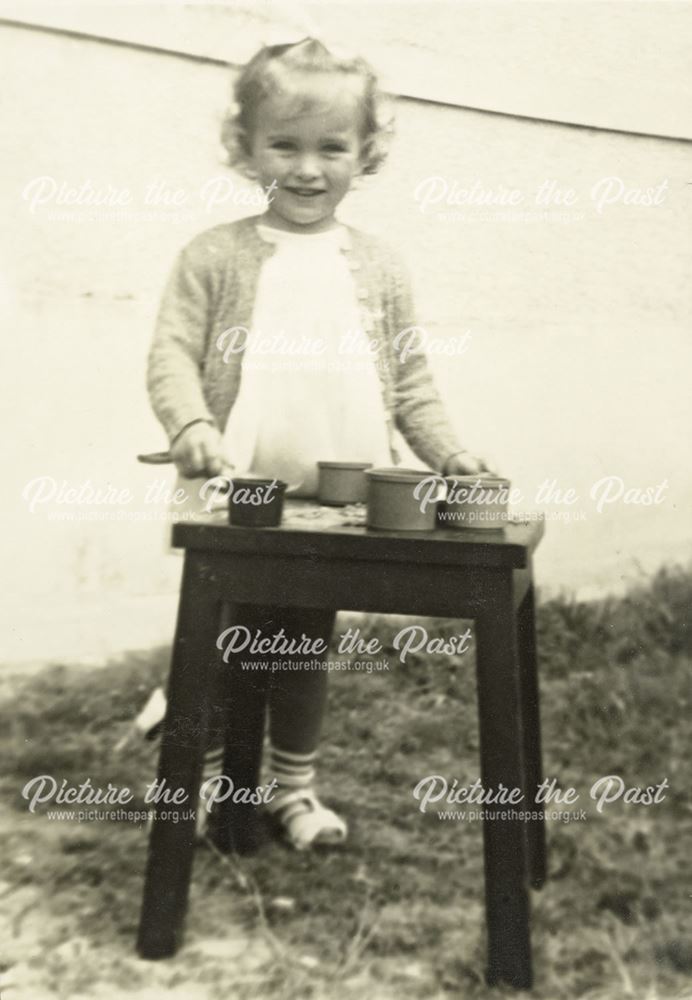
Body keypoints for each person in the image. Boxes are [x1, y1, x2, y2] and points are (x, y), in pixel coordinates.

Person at [146, 37, 491, 850]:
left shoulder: (379, 266)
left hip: (337, 506)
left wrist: (451, 455)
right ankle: (207, 779)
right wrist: (191, 424)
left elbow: (409, 385)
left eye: (331, 147)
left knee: (304, 641)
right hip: (241, 495)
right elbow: (171, 354)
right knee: (228, 634)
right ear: (246, 148)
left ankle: (292, 789)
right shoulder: (214, 256)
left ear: (363, 154)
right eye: (284, 146)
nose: (307, 168)